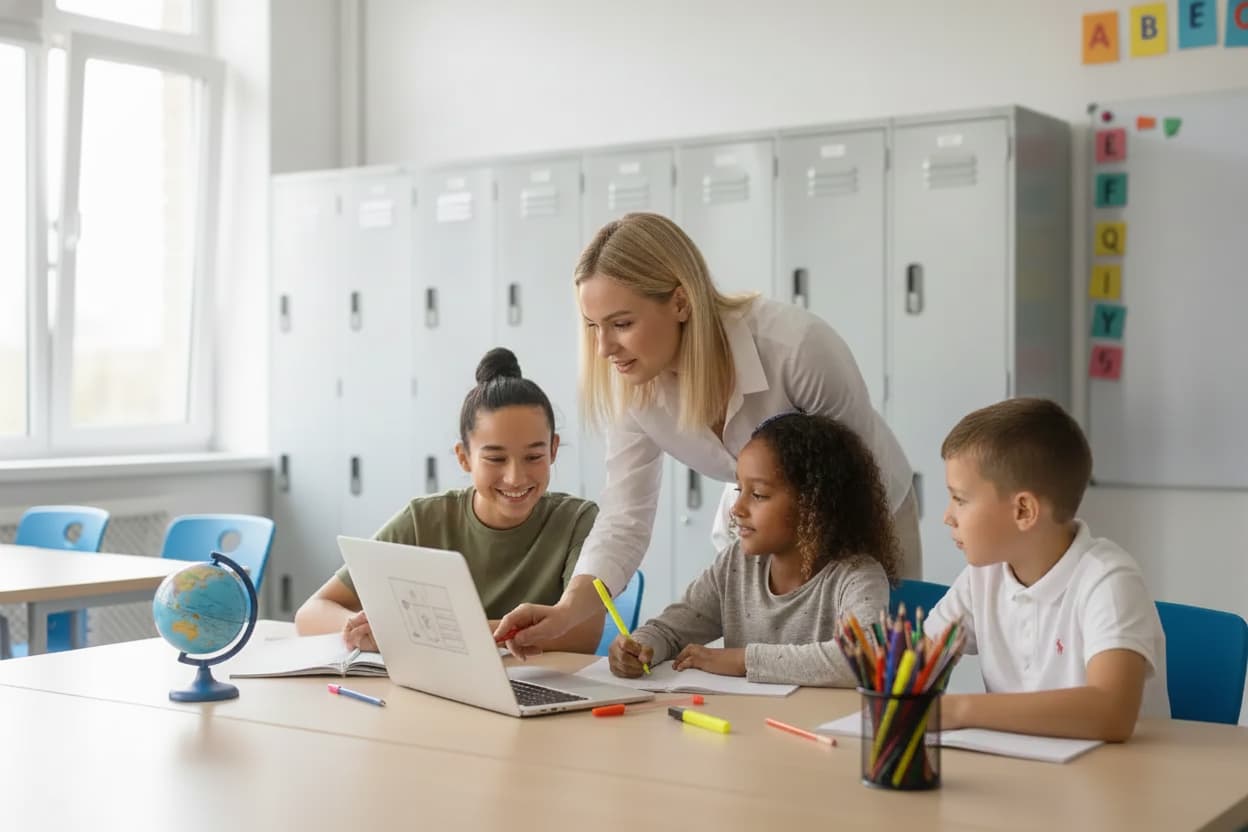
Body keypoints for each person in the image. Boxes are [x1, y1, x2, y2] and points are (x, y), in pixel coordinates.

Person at [495, 212, 917, 655]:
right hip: (769, 527)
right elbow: (625, 518)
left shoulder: (797, 348)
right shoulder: (634, 387)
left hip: (863, 516)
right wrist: (566, 611)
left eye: (621, 324)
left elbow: (849, 484)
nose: (603, 349)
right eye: (592, 326)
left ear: (680, 303)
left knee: (871, 677)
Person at [296, 347, 603, 653]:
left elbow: (583, 635)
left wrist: (418, 631)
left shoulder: (577, 521)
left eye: (534, 456)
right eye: (495, 458)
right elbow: (310, 614)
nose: (516, 477)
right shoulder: (422, 520)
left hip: (537, 688)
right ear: (464, 457)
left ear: (553, 450)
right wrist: (363, 628)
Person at [924, 397, 1168, 741]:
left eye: (960, 499)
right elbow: (913, 662)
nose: (947, 516)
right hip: (1025, 776)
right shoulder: (983, 577)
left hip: (1116, 783)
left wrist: (961, 710)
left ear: (1024, 510)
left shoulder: (1108, 580)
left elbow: (1112, 712)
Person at [608, 412, 899, 685]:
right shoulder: (736, 565)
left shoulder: (857, 575)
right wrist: (640, 647)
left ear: (814, 506)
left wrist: (742, 660)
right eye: (739, 490)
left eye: (758, 494)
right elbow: (669, 630)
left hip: (818, 734)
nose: (736, 508)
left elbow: (864, 657)